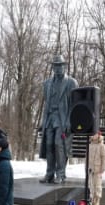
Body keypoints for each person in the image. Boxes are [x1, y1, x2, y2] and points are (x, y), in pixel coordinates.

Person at [39, 54, 78, 184]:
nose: (58, 68)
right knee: (49, 145)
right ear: (52, 67)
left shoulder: (71, 83)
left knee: (59, 145)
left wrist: (69, 121)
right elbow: (46, 104)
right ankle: (49, 173)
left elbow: (74, 105)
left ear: (64, 66)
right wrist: (43, 121)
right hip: (50, 117)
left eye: (60, 65)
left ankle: (60, 174)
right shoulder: (47, 83)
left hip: (62, 119)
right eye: (55, 66)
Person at [88, 132, 105, 205]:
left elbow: (104, 157)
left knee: (98, 185)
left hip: (98, 168)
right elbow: (87, 157)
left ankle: (97, 199)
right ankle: (92, 198)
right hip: (90, 168)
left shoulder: (102, 146)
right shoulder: (90, 146)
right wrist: (86, 167)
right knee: (91, 184)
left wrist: (103, 167)